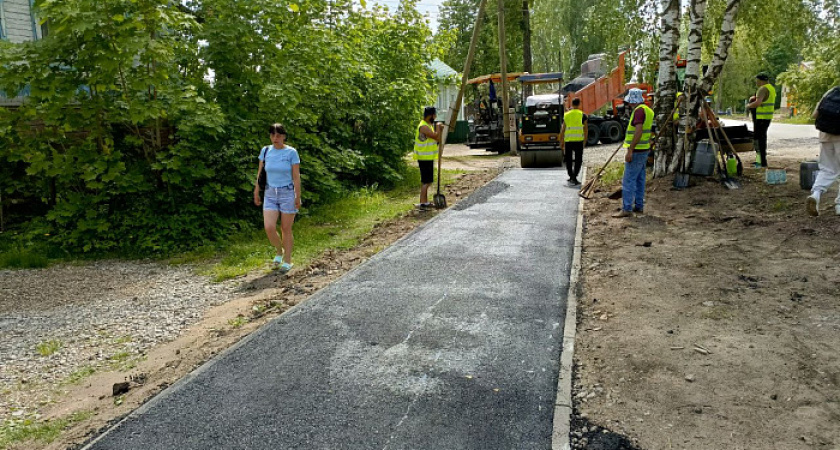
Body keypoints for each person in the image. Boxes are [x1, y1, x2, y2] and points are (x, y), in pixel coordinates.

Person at [253, 124, 301, 273]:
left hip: (287, 193)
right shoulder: (265, 151)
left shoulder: (291, 152)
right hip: (270, 193)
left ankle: (287, 260)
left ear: (284, 136)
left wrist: (297, 196)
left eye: (279, 135)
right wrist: (256, 190)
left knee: (286, 228)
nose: (275, 138)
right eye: (273, 135)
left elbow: (296, 176)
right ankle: (279, 250)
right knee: (269, 227)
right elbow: (260, 172)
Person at [614, 88, 654, 218]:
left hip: (636, 151)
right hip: (644, 149)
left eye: (630, 102)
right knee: (640, 179)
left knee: (629, 180)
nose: (629, 104)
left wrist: (630, 150)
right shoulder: (648, 110)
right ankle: (639, 206)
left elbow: (639, 131)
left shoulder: (638, 111)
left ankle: (627, 208)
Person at [807, 86, 840, 216]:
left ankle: (816, 195)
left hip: (826, 136)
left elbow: (815, 114)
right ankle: (839, 206)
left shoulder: (831, 91)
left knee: (827, 169)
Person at [414, 107, 444, 209]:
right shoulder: (423, 126)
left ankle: (425, 202)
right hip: (424, 157)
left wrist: (438, 129)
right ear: (430, 115)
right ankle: (422, 203)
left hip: (427, 157)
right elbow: (436, 136)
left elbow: (437, 138)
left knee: (427, 180)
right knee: (427, 181)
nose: (435, 117)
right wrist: (438, 127)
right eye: (434, 115)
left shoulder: (427, 125)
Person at [746, 73, 776, 168]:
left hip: (761, 118)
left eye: (757, 80)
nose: (756, 82)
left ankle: (761, 162)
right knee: (762, 138)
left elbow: (758, 103)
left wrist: (748, 106)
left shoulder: (762, 89)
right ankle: (761, 161)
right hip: (767, 117)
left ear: (761, 80)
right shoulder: (771, 88)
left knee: (759, 139)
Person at [560, 97, 588, 186]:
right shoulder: (583, 115)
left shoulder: (566, 115)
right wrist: (584, 141)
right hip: (579, 141)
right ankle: (575, 176)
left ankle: (571, 175)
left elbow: (562, 129)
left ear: (571, 104)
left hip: (568, 141)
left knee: (568, 160)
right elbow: (586, 129)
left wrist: (561, 142)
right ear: (579, 104)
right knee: (578, 160)